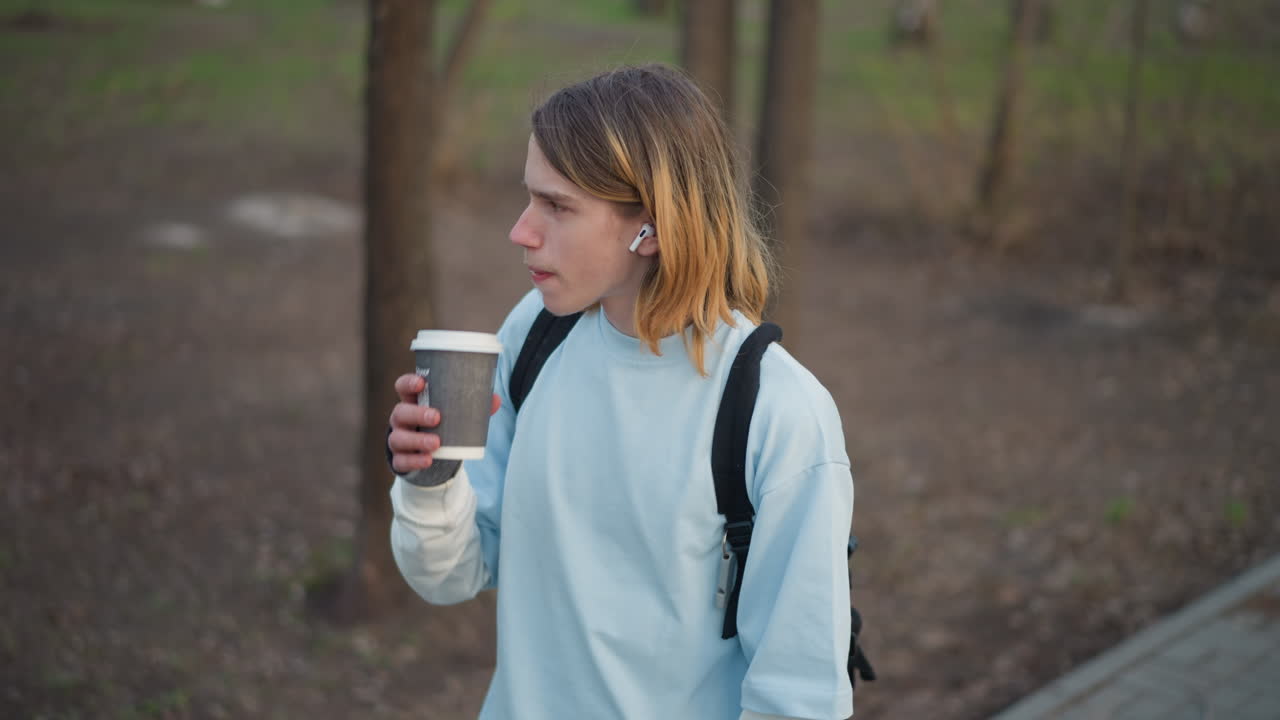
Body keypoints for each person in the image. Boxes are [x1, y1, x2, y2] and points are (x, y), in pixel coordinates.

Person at [386, 64, 855, 720]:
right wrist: (429, 479)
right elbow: (447, 575)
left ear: (654, 228)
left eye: (557, 206)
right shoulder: (536, 334)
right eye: (530, 198)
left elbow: (800, 699)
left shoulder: (777, 413)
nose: (522, 231)